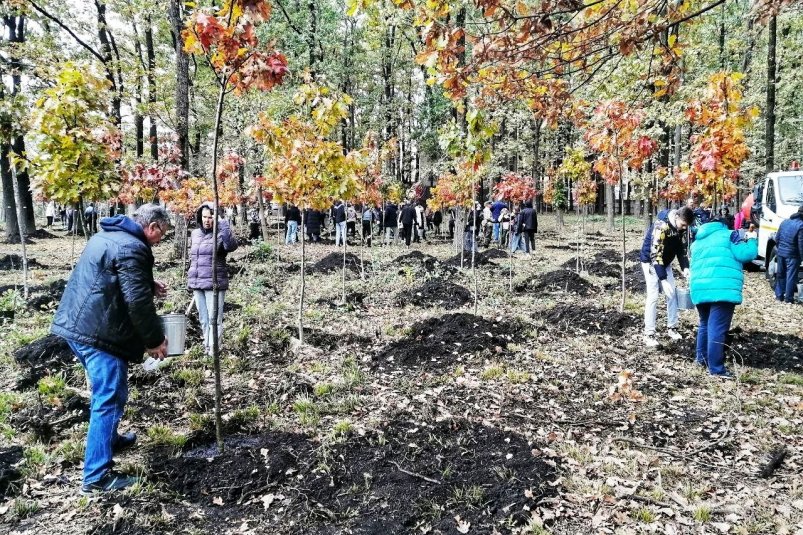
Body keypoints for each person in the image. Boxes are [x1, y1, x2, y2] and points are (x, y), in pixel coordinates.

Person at [51, 204, 170, 493]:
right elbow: (139, 305)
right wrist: (155, 341)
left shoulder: (107, 236)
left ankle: (109, 438)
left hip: (77, 326)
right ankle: (96, 476)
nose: (160, 239)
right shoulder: (133, 248)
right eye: (162, 234)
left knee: (112, 391)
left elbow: (106, 275)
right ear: (152, 227)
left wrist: (145, 281)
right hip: (99, 334)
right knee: (108, 396)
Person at [690, 218, 758, 377]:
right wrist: (752, 239)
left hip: (699, 288)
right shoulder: (730, 235)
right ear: (725, 225)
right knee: (717, 328)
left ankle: (701, 360)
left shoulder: (697, 241)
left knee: (705, 324)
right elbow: (746, 254)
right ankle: (716, 369)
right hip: (722, 288)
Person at [188, 202, 239, 355]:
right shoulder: (195, 233)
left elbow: (231, 246)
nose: (207, 220)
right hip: (197, 283)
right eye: (204, 217)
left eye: (211, 217)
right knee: (203, 319)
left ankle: (214, 350)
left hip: (214, 283)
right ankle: (207, 345)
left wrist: (222, 223)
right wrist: (191, 279)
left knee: (214, 319)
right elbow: (194, 259)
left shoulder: (220, 234)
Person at [639, 207, 695, 347]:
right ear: (676, 217)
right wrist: (662, 280)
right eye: (683, 224)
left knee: (672, 294)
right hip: (651, 262)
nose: (684, 228)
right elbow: (655, 255)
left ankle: (672, 327)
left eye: (686, 226)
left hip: (666, 262)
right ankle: (649, 334)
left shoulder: (680, 228)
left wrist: (685, 267)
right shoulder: (661, 226)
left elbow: (680, 250)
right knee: (653, 296)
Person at [775, 205, 803, 303]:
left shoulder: (784, 222)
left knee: (780, 275)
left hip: (781, 253)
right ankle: (788, 299)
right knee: (791, 276)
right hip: (793, 255)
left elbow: (777, 238)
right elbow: (801, 244)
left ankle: (779, 296)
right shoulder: (801, 225)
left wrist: (780, 249)